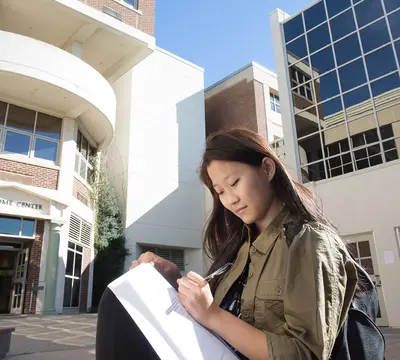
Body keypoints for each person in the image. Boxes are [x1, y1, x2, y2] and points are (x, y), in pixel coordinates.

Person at [96, 128, 358, 360]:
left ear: (267, 168)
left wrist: (212, 314)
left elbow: (305, 354)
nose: (230, 200)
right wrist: (175, 282)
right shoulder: (241, 247)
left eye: (234, 183)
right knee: (121, 301)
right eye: (220, 192)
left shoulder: (309, 241)